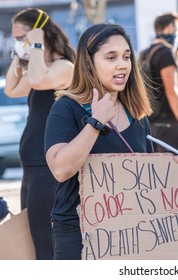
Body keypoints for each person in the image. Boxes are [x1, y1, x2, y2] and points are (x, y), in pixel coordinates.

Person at [44, 23, 153, 260]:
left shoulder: (137, 113)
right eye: (111, 57)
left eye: (126, 56)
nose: (122, 64)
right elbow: (60, 169)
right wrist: (95, 123)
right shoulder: (66, 107)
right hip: (79, 234)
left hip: (131, 234)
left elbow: (149, 178)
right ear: (89, 62)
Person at [3, 8, 75, 260]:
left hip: (48, 165)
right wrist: (19, 57)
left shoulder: (63, 67)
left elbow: (38, 80)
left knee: (46, 241)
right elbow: (11, 89)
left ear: (40, 34)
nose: (18, 42)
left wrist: (34, 44)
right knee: (34, 238)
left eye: (21, 36)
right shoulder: (39, 68)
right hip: (31, 166)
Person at [141, 12, 178, 152]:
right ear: (170, 27)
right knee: (174, 171)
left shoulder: (145, 53)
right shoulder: (166, 53)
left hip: (151, 122)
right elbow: (172, 91)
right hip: (169, 124)